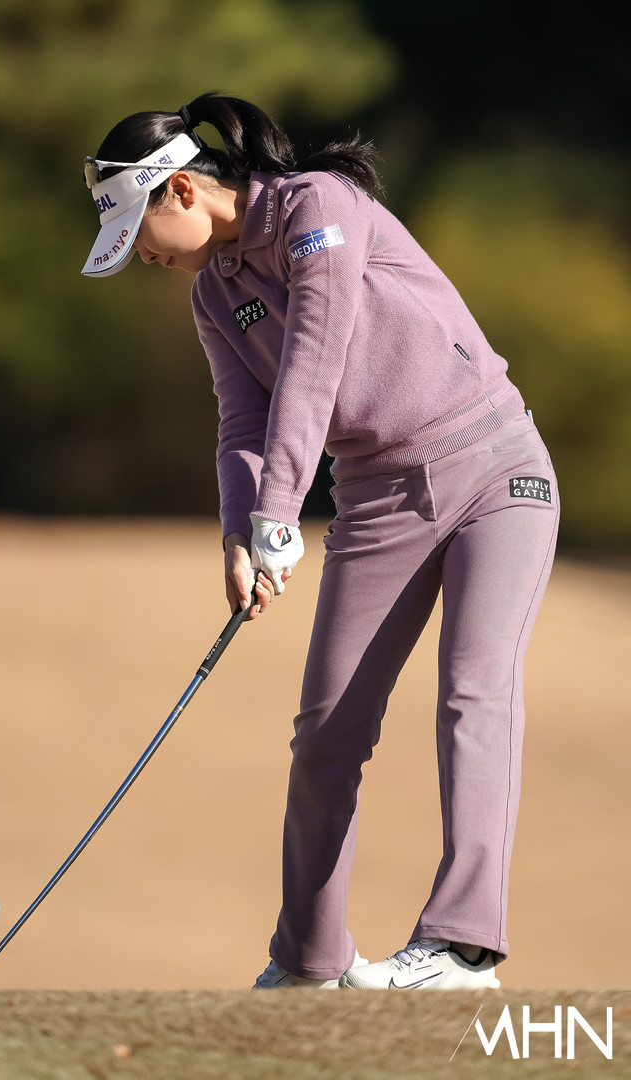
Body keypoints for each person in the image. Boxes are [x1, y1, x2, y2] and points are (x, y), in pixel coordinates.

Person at [82, 92, 559, 991]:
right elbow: (242, 423)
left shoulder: (317, 205)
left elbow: (317, 355)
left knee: (474, 694)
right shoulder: (215, 295)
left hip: (495, 469)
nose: (141, 254)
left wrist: (279, 513)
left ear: (182, 190)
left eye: (138, 230)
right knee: (326, 733)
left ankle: (462, 948)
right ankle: (307, 965)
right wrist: (240, 533)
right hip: (378, 502)